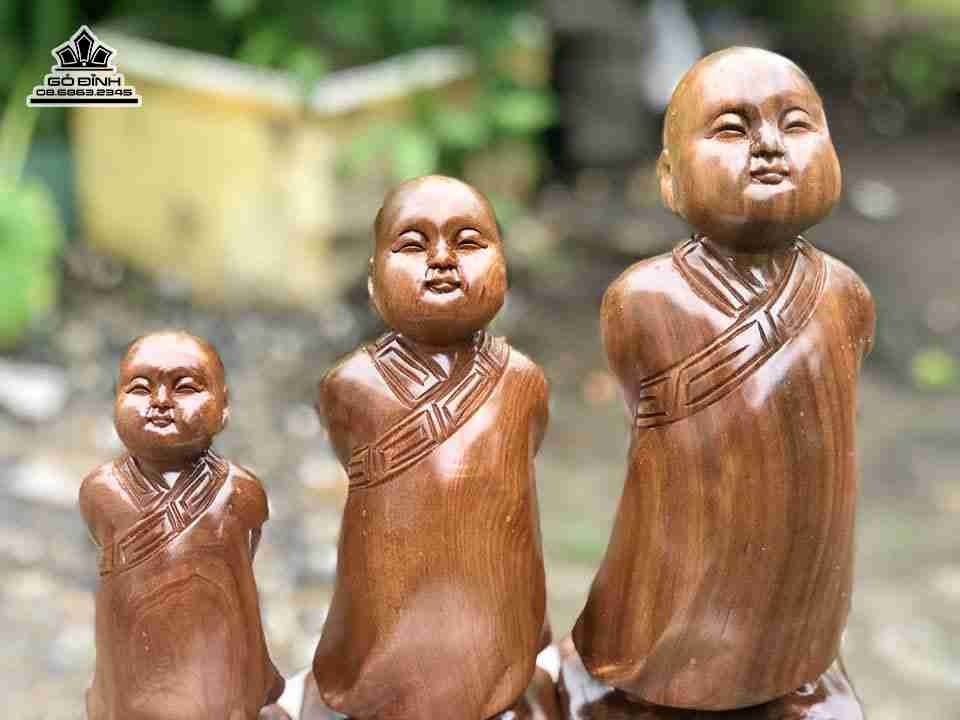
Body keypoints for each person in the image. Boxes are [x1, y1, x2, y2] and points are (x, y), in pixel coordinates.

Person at [563, 48, 875, 718]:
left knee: (800, 605)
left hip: (808, 540)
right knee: (667, 615)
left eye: (796, 124)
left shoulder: (845, 294)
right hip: (686, 532)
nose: (769, 145)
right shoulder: (643, 299)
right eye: (732, 129)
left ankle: (791, 664)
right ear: (669, 179)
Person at [310, 176, 552, 720]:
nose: (442, 260)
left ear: (503, 266)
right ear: (372, 279)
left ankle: (498, 681)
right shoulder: (351, 387)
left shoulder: (522, 380)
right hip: (390, 589)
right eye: (413, 244)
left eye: (467, 242)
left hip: (492, 586)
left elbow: (524, 463)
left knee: (498, 648)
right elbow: (348, 452)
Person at [80, 331, 284, 720]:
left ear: (224, 405)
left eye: (185, 387)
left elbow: (244, 574)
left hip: (214, 654)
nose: (160, 401)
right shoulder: (101, 491)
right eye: (140, 388)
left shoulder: (239, 492)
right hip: (132, 656)